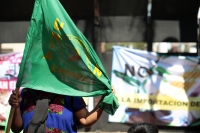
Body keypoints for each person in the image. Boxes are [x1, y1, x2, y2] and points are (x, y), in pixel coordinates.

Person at [8, 86, 116, 133]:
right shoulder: (25, 93)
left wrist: (103, 100)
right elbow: (16, 128)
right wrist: (15, 106)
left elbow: (86, 120)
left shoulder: (69, 92)